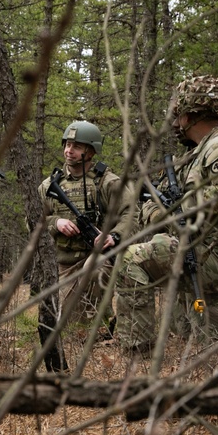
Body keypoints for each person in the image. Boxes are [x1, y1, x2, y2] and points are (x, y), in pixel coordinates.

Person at [115, 75, 218, 356]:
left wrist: (174, 211)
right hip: (211, 253)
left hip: (214, 255)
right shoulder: (202, 152)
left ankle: (136, 355)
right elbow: (157, 205)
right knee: (203, 335)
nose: (175, 124)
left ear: (192, 114)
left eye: (178, 116)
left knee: (129, 258)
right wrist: (159, 212)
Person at [38, 120, 134, 335]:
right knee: (67, 328)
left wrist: (114, 236)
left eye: (77, 146)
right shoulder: (49, 186)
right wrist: (55, 223)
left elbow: (131, 214)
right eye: (67, 145)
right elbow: (33, 220)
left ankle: (102, 324)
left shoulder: (108, 183)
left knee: (94, 268)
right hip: (65, 263)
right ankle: (95, 324)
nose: (69, 151)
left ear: (91, 151)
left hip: (100, 256)